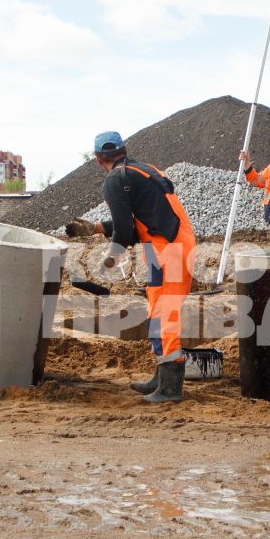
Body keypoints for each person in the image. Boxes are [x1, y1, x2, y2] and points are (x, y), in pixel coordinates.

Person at [64, 132, 194, 403]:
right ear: (124, 150)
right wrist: (99, 228)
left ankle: (171, 388)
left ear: (99, 160)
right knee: (157, 312)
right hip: (174, 244)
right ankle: (162, 378)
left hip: (167, 249)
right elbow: (146, 219)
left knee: (164, 317)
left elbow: (124, 231)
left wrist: (109, 260)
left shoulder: (115, 179)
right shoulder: (145, 170)